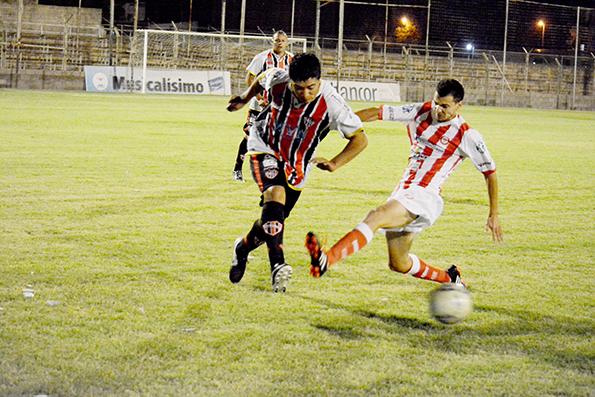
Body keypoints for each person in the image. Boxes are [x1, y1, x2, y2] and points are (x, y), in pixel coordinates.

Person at [306, 78, 503, 287]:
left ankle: (327, 259)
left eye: (444, 106)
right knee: (399, 263)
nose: (438, 109)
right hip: (404, 192)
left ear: (458, 106)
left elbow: (490, 173)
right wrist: (338, 124)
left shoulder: (467, 135)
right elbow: (376, 112)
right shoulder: (420, 111)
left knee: (376, 215)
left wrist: (494, 214)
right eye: (436, 102)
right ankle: (450, 278)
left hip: (424, 196)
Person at [226, 53, 368, 292]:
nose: (304, 94)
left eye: (310, 88)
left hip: (298, 164)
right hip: (264, 146)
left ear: (319, 81)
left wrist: (335, 163)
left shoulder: (332, 103)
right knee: (275, 193)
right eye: (298, 88)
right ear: (290, 80)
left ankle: (242, 248)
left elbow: (360, 139)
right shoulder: (279, 79)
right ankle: (278, 266)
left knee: (272, 221)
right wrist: (243, 99)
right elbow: (262, 79)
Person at [232, 30, 293, 182]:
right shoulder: (262, 57)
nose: (280, 42)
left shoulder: (292, 59)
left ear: (287, 43)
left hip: (278, 106)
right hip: (259, 105)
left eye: (283, 40)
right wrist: (258, 97)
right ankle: (237, 170)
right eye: (277, 40)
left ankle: (278, 172)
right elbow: (250, 77)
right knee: (250, 136)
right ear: (272, 42)